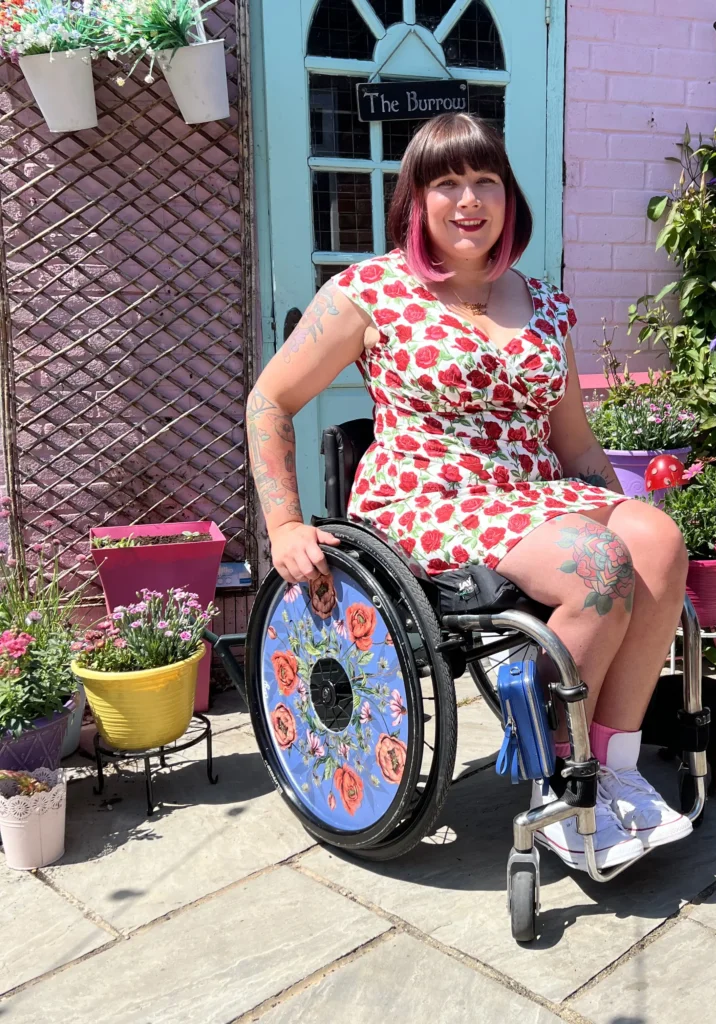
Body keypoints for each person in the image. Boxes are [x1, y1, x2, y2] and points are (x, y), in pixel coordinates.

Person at [246, 113, 691, 871]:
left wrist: (628, 513)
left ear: (507, 195)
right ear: (415, 199)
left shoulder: (542, 302)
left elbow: (575, 442)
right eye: (446, 183)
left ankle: (614, 766)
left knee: (660, 541)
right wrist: (283, 525)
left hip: (529, 492)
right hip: (428, 498)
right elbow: (270, 400)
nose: (468, 200)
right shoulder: (370, 291)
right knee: (598, 565)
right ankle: (559, 768)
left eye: (484, 180)